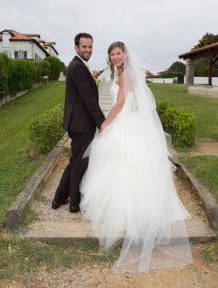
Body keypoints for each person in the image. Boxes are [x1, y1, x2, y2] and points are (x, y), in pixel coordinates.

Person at [80, 41, 193, 272]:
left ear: (125, 54)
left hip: (123, 122)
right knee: (116, 164)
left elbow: (121, 103)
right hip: (126, 121)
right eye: (112, 54)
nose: (115, 57)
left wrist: (104, 124)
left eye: (118, 53)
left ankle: (130, 212)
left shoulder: (127, 73)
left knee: (127, 164)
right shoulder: (120, 72)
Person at [52, 33, 105, 212]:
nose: (88, 50)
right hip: (82, 124)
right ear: (76, 48)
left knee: (75, 161)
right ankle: (74, 203)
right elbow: (89, 99)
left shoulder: (78, 65)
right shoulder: (77, 67)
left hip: (77, 122)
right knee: (80, 164)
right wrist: (101, 122)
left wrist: (93, 76)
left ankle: (58, 198)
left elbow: (85, 87)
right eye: (84, 47)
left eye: (90, 46)